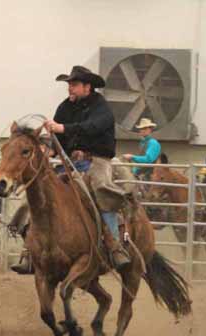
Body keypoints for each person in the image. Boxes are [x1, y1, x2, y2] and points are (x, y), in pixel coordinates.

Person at [45, 65, 131, 269]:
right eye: (69, 85)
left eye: (74, 84)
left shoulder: (102, 108)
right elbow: (57, 137)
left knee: (101, 189)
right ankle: (31, 244)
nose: (70, 89)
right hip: (70, 163)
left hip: (97, 160)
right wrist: (48, 151)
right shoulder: (65, 107)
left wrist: (62, 128)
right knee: (44, 189)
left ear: (87, 87)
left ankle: (113, 245)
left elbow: (93, 127)